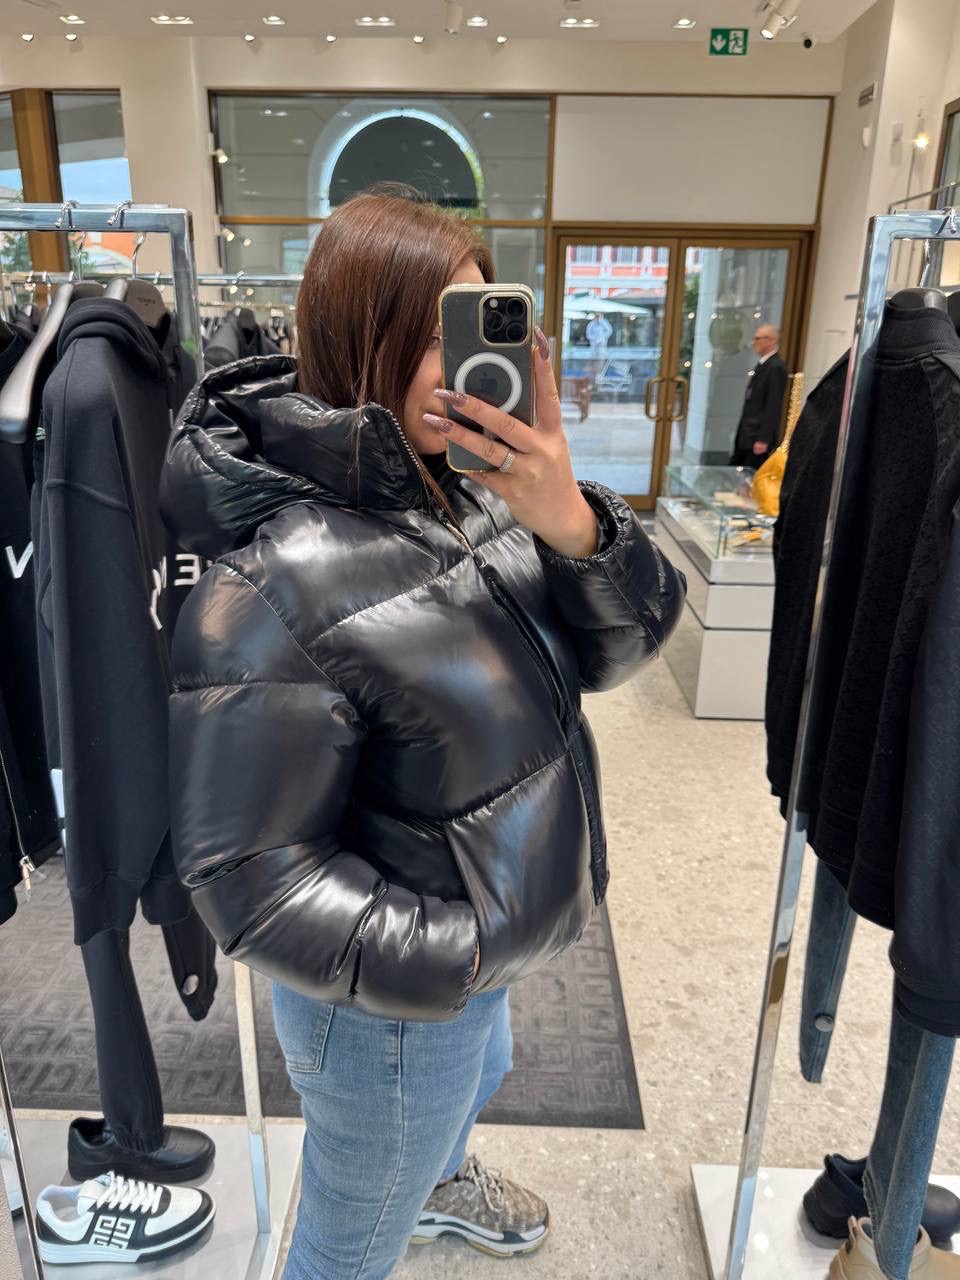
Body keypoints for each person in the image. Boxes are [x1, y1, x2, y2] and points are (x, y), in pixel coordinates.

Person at [160, 188, 685, 1280]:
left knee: (481, 1076)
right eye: (444, 333)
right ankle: (417, 1186)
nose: (476, 367)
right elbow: (250, 887)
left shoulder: (478, 491)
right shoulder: (272, 586)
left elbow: (619, 650)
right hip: (392, 1012)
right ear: (369, 336)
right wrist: (469, 947)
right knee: (345, 1248)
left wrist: (569, 518)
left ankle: (441, 1186)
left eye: (487, 325)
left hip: (468, 952)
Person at [730, 323, 788, 468]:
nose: (754, 343)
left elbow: (773, 405)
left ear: (771, 340)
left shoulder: (775, 367)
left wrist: (763, 439)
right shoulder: (764, 364)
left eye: (758, 339)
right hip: (747, 434)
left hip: (756, 437)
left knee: (750, 474)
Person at [585, 310, 613, 375]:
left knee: (601, 360)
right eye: (596, 316)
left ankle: (599, 373)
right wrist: (595, 339)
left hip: (602, 346)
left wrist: (601, 338)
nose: (597, 317)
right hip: (594, 346)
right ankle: (593, 373)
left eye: (599, 316)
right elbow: (588, 334)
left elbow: (609, 331)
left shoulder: (604, 323)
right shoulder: (591, 324)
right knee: (593, 360)